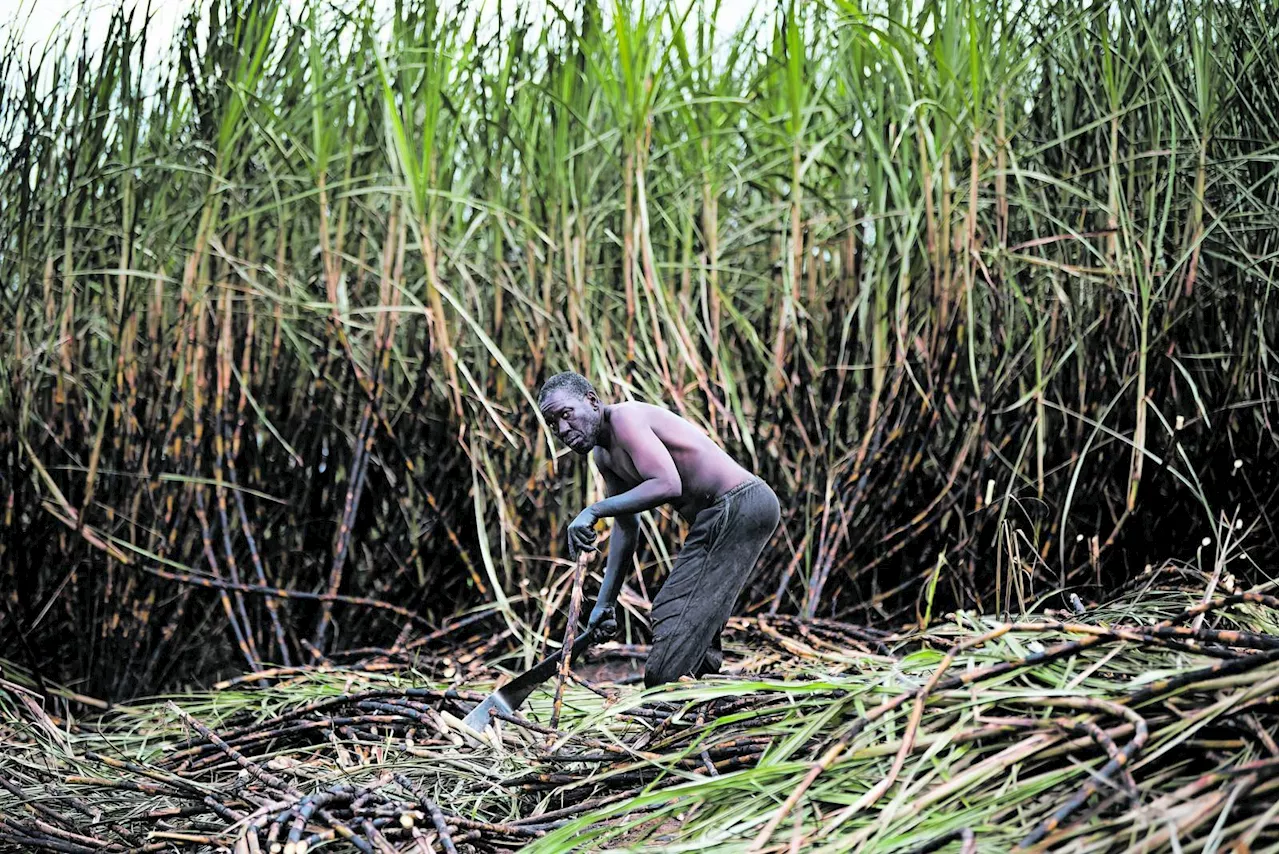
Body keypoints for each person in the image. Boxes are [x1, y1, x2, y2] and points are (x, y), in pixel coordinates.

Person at [537, 371, 780, 687]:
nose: (562, 429)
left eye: (566, 414)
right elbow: (626, 528)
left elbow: (667, 483)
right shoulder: (604, 455)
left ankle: (666, 689)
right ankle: (698, 692)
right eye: (552, 423)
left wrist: (593, 510)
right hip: (718, 517)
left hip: (739, 504)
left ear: (592, 401)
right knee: (695, 617)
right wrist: (605, 602)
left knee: (674, 610)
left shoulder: (626, 418)